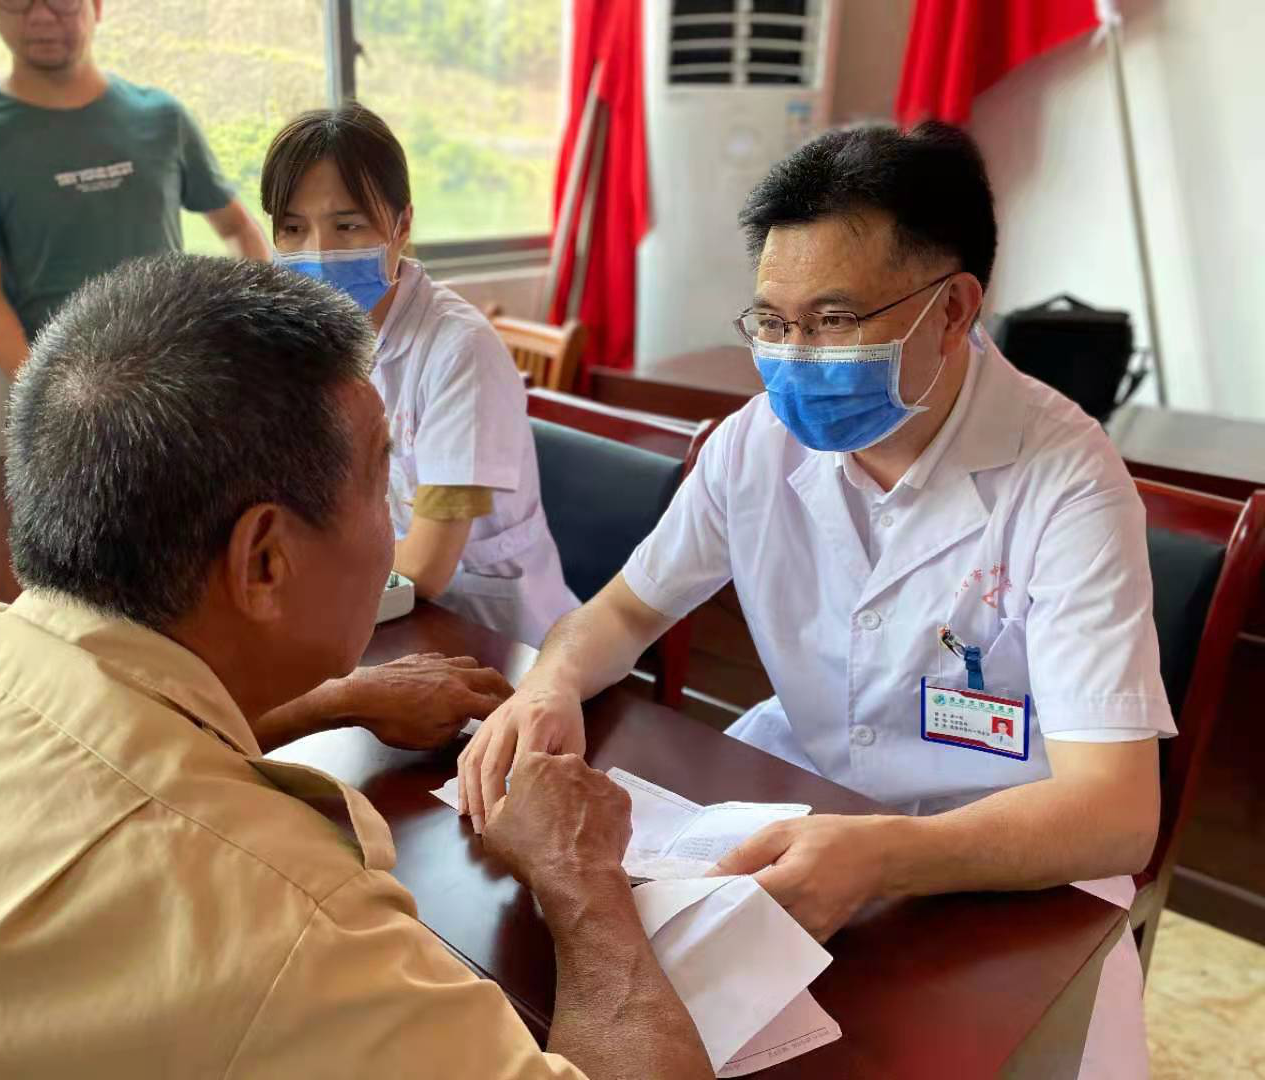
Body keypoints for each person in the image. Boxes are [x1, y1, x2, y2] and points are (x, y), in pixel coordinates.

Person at [0, 254, 712, 1080]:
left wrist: (330, 701)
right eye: (381, 484)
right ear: (265, 562)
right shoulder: (285, 922)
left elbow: (114, 742)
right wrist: (583, 877)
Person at [458, 122, 1174, 1079]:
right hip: (799, 794)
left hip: (1001, 856)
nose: (794, 359)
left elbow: (1115, 811)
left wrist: (885, 856)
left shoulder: (1068, 483)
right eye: (773, 321)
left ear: (954, 308)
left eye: (834, 321)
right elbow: (624, 613)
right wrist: (550, 684)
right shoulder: (755, 442)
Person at [261, 103, 579, 647]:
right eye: (293, 228)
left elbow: (429, 565)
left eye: (347, 226)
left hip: (489, 632)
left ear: (402, 225)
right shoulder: (308, 340)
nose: (319, 253)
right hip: (382, 607)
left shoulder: (460, 350)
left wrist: (304, 563)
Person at [0, 0, 270, 377]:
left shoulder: (161, 117)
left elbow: (237, 228)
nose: (40, 16)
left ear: (97, 6)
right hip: (68, 386)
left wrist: (255, 338)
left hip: (182, 374)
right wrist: (40, 388)